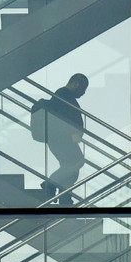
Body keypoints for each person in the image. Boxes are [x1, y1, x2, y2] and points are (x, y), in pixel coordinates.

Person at [46, 73, 88, 205]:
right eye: (83, 88)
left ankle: (64, 195)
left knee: (71, 167)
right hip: (62, 138)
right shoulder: (63, 95)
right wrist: (73, 133)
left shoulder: (63, 95)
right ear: (76, 83)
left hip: (63, 138)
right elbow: (64, 118)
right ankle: (50, 185)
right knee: (76, 162)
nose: (84, 92)